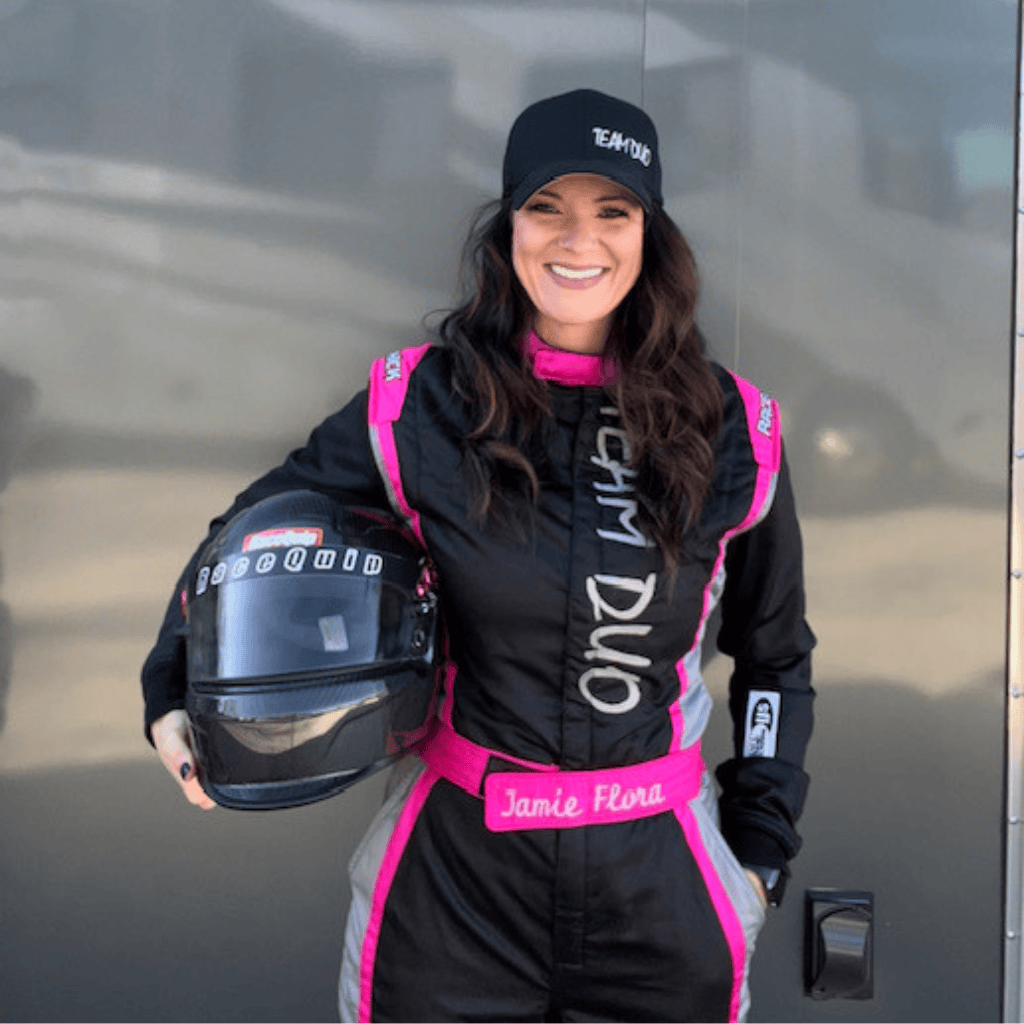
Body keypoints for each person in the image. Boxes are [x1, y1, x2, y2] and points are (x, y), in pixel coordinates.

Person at [142, 88, 815, 1023]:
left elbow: (776, 657)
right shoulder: (419, 404)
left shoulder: (736, 428)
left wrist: (760, 856)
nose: (578, 241)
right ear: (509, 229)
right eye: (547, 207)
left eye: (612, 212)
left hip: (662, 894)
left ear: (650, 235)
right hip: (450, 892)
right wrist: (170, 685)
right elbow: (252, 538)